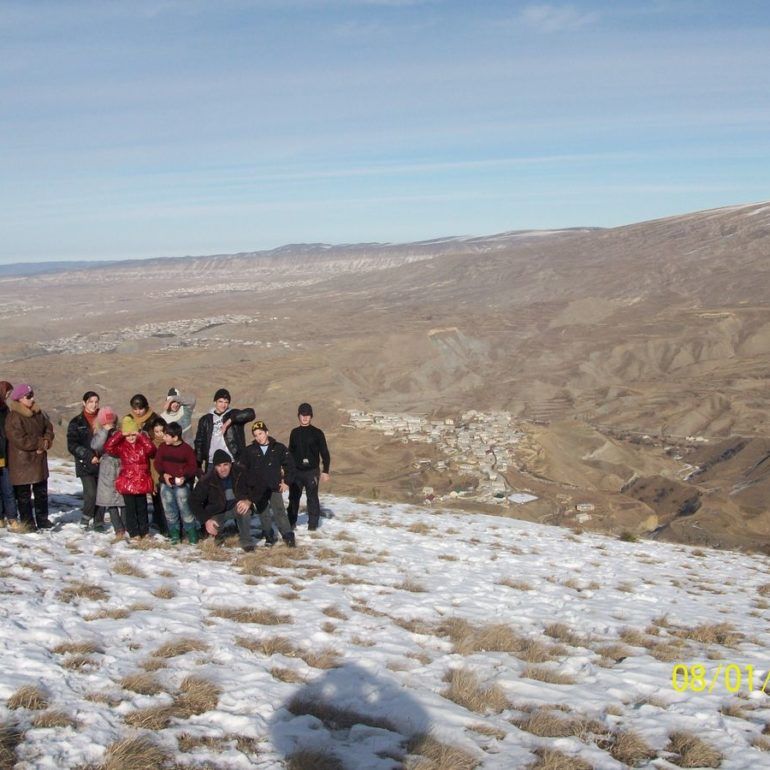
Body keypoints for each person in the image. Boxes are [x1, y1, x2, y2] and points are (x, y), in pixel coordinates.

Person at [190, 449, 263, 552]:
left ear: (230, 464)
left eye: (225, 465)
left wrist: (249, 500)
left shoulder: (240, 472)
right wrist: (206, 520)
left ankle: (246, 541)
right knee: (213, 532)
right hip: (217, 511)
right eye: (219, 466)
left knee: (245, 510)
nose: (222, 469)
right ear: (214, 467)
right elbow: (193, 501)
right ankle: (216, 536)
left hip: (236, 507)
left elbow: (259, 484)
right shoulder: (207, 480)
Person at [5, 383, 54, 530]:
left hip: (38, 460)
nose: (32, 399)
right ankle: (28, 523)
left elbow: (48, 428)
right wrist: (41, 443)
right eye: (29, 396)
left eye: (32, 395)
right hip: (22, 463)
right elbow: (19, 439)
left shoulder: (38, 413)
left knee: (41, 493)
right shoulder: (13, 417)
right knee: (24, 496)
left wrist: (46, 440)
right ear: (20, 399)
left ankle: (43, 520)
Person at [244, 420, 295, 547]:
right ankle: (269, 535)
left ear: (267, 432)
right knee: (263, 512)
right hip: (257, 489)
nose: (258, 437)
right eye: (255, 435)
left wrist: (287, 482)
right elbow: (243, 469)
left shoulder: (278, 448)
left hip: (274, 486)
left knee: (279, 511)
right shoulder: (250, 450)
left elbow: (290, 465)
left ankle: (288, 535)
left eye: (261, 433)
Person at [104, 416, 156, 539]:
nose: (131, 437)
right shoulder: (122, 446)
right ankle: (134, 533)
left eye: (133, 435)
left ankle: (145, 531)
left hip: (141, 480)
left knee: (142, 508)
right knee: (130, 509)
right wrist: (120, 434)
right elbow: (108, 447)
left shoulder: (142, 444)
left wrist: (141, 436)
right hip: (127, 481)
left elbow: (152, 449)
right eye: (128, 435)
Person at [287, 403, 330, 531]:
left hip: (312, 471)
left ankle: (312, 525)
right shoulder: (294, 433)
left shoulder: (317, 433)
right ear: (298, 416)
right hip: (297, 471)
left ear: (311, 416)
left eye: (307, 415)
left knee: (312, 498)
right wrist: (287, 469)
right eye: (302, 415)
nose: (305, 417)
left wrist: (325, 471)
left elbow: (325, 453)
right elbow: (290, 452)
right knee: (294, 498)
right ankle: (291, 522)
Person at [154, 421, 198, 544]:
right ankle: (174, 533)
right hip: (166, 483)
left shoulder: (186, 450)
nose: (164, 437)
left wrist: (184, 476)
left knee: (185, 508)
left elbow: (192, 466)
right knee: (169, 509)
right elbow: (157, 463)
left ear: (175, 437)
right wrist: (164, 474)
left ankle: (192, 533)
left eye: (167, 435)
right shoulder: (163, 447)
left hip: (182, 484)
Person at [66, 390, 104, 530]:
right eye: (90, 402)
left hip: (103, 463)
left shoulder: (104, 419)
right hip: (85, 464)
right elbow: (72, 445)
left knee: (102, 494)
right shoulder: (76, 422)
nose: (94, 405)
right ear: (84, 403)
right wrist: (89, 456)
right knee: (91, 493)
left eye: (96, 402)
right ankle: (86, 517)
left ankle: (99, 521)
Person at [194, 388, 254, 471]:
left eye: (226, 402)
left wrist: (230, 420)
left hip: (233, 461)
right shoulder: (205, 420)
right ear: (215, 402)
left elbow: (250, 413)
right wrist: (198, 464)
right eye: (220, 402)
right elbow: (199, 442)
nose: (223, 405)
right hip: (212, 463)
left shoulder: (233, 414)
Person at [91, 406, 127, 539]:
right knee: (109, 500)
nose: (109, 424)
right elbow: (96, 446)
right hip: (107, 468)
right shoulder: (99, 433)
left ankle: (125, 525)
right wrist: (103, 432)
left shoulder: (119, 431)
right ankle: (118, 527)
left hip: (121, 466)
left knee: (123, 498)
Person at [0, 381, 19, 530]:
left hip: (4, 454)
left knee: (7, 487)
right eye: (7, 393)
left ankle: (12, 517)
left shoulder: (5, 409)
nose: (8, 396)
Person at [146, 416, 168, 535]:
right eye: (156, 432)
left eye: (162, 431)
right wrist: (153, 483)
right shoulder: (151, 446)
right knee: (158, 505)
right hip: (156, 480)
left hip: (169, 481)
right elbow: (151, 466)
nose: (159, 434)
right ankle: (161, 528)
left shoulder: (170, 443)